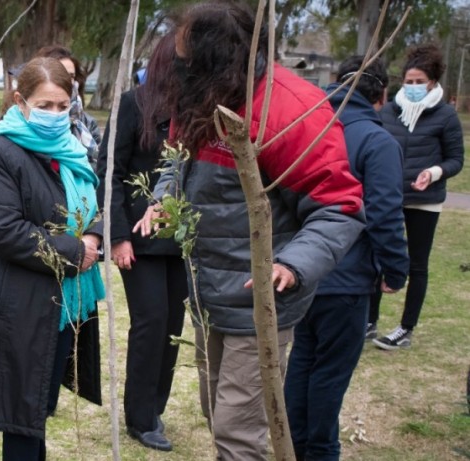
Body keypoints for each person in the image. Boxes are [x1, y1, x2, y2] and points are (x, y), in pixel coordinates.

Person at [134, 3, 365, 459]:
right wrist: (164, 197)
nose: (178, 68)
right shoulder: (203, 95)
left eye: (186, 59)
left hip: (261, 301)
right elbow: (179, 160)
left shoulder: (290, 112)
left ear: (218, 57)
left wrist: (292, 265)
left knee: (239, 434)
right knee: (217, 414)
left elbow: (339, 207)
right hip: (209, 292)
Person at [0, 56, 105, 461]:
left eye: (62, 105)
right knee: (21, 413)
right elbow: (6, 231)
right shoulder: (1, 153)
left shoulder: (71, 148)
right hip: (19, 304)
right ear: (20, 101)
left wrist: (94, 233)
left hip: (61, 302)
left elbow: (92, 205)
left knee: (38, 405)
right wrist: (77, 251)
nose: (55, 115)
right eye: (44, 105)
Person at [284, 56, 410, 461]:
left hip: (300, 267)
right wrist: (396, 269)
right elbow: (386, 214)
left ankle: (294, 446)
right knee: (328, 372)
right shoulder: (378, 143)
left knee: (303, 359)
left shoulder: (307, 128)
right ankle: (318, 451)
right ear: (382, 97)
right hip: (345, 277)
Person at [96, 32, 186, 452]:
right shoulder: (133, 105)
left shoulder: (198, 109)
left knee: (173, 326)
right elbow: (109, 171)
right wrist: (117, 236)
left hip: (182, 239)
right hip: (139, 236)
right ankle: (139, 416)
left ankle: (155, 406)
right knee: (151, 323)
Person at [370, 44, 465, 350]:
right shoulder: (389, 111)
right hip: (390, 197)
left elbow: (456, 159)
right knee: (377, 256)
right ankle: (369, 321)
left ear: (433, 82)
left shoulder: (447, 115)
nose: (412, 87)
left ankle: (405, 328)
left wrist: (434, 172)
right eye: (408, 82)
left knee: (417, 265)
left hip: (426, 200)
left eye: (418, 82)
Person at [32, 45, 102, 168]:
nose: (66, 81)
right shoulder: (24, 117)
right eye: (59, 73)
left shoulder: (88, 124)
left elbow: (100, 167)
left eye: (71, 76)